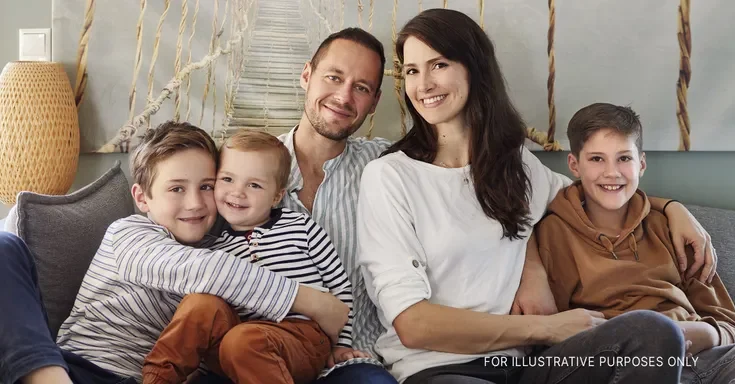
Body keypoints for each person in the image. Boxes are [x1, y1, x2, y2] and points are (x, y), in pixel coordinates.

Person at [356, 9, 715, 384]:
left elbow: (596, 191)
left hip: (528, 367)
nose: (424, 84)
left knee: (654, 331)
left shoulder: (516, 166)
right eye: (412, 70)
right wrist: (544, 328)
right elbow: (414, 324)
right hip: (440, 367)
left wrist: (672, 208)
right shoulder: (390, 176)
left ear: (474, 69)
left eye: (439, 65)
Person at [0, 121, 349, 384]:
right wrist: (314, 302)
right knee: (4, 247)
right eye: (176, 189)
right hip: (83, 369)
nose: (195, 203)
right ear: (142, 198)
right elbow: (203, 271)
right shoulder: (130, 234)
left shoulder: (227, 250)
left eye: (207, 187)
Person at [143, 129, 368, 384]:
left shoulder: (300, 226)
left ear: (276, 196)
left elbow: (339, 285)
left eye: (254, 185)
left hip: (301, 338)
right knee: (200, 304)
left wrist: (342, 344)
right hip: (235, 344)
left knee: (244, 340)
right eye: (227, 179)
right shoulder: (212, 247)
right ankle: (158, 379)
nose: (237, 192)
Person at [532, 102, 735, 383]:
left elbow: (727, 321)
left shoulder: (670, 227)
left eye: (623, 159)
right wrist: (658, 337)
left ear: (641, 163)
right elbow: (554, 336)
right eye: (596, 159)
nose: (612, 172)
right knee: (652, 330)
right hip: (621, 360)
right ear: (574, 165)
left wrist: (708, 333)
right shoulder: (554, 233)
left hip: (702, 353)